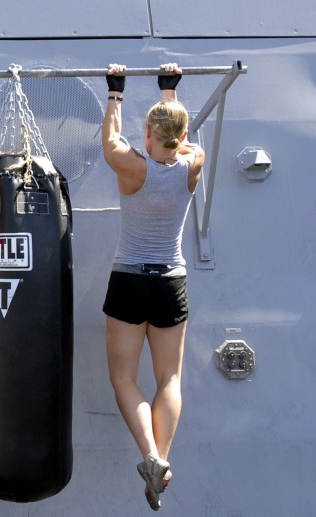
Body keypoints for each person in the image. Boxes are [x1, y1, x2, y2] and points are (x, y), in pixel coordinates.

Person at [101, 63, 205, 511]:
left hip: (129, 280)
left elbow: (110, 138)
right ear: (181, 135)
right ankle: (161, 460)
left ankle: (150, 454)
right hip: (171, 282)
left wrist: (116, 91)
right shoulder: (193, 162)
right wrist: (169, 90)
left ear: (147, 134)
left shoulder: (131, 167)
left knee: (124, 378)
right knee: (170, 378)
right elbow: (180, 135)